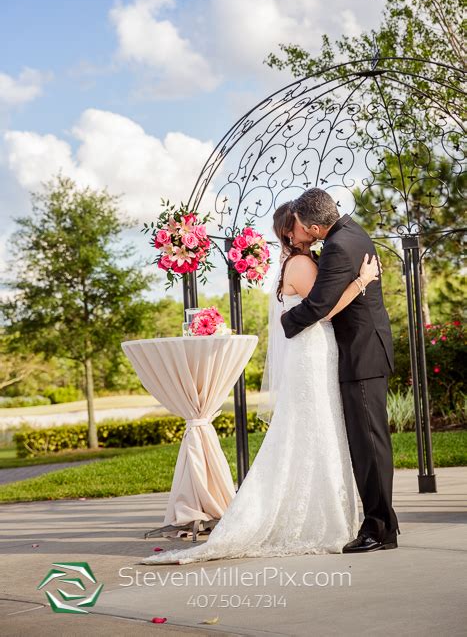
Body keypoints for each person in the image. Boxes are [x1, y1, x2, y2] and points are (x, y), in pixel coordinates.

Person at [140, 200, 381, 566]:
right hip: (315, 352)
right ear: (293, 231)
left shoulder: (308, 258)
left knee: (320, 430)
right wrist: (362, 281)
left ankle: (342, 517)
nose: (304, 231)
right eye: (299, 226)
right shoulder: (301, 263)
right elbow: (325, 309)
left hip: (320, 352)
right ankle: (323, 518)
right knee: (317, 430)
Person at [281, 188, 400, 553]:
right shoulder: (353, 232)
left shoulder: (337, 245)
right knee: (370, 443)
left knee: (370, 445)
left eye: (298, 225)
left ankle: (378, 529)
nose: (294, 231)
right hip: (365, 350)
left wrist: (286, 321)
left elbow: (319, 306)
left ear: (315, 227)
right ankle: (384, 526)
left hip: (360, 354)